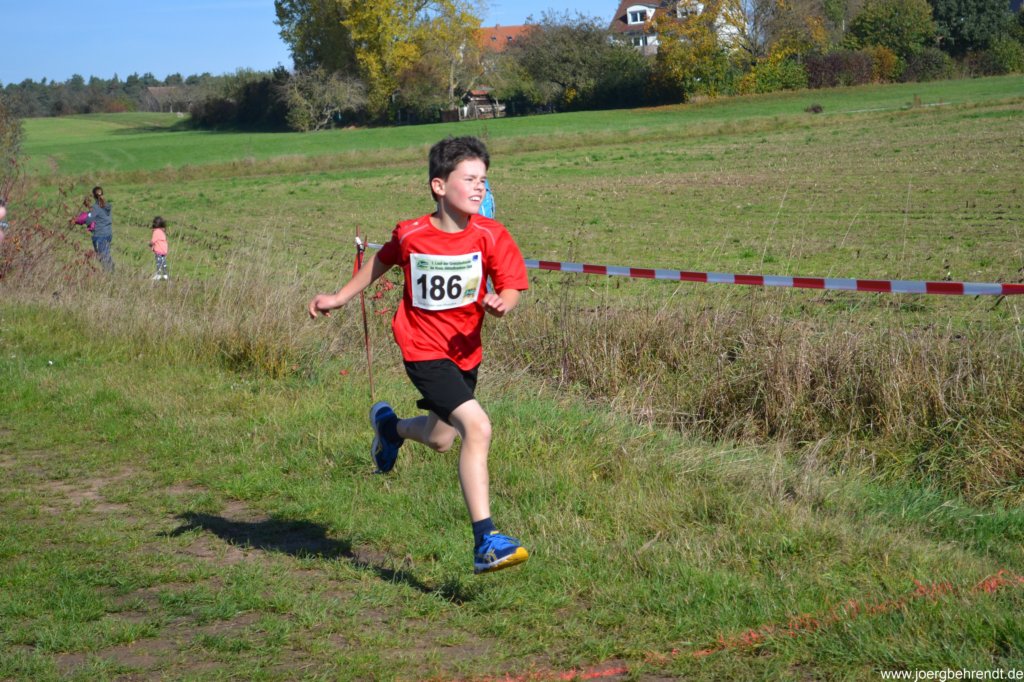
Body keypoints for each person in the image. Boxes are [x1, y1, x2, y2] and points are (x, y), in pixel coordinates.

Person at [308, 136, 530, 575]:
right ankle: (486, 541)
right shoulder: (411, 233)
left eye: (483, 180)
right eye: (470, 179)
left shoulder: (491, 234)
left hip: (465, 352)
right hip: (423, 349)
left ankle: (390, 428)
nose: (480, 187)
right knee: (478, 427)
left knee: (440, 439)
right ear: (438, 185)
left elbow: (512, 284)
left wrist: (503, 302)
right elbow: (383, 261)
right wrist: (339, 296)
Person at [87, 186, 114, 272]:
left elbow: (89, 220)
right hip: (108, 234)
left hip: (100, 234)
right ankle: (111, 271)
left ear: (93, 196)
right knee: (106, 253)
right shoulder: (107, 205)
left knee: (102, 256)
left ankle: (108, 273)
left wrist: (86, 217)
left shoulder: (95, 207)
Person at [149, 216, 169, 280]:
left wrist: (150, 244)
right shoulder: (162, 232)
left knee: (158, 263)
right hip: (164, 250)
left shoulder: (156, 232)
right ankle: (165, 275)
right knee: (164, 263)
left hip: (159, 250)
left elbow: (153, 241)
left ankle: (158, 275)